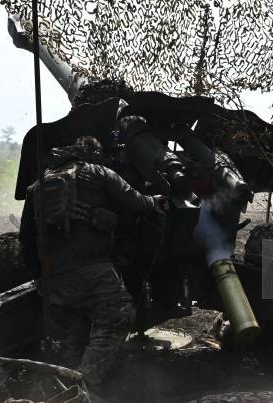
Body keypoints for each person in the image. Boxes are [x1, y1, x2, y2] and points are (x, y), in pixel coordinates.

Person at [19, 136, 166, 395]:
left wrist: (40, 276)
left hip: (53, 277)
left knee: (71, 336)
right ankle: (85, 386)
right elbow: (135, 200)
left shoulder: (37, 185)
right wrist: (155, 201)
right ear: (93, 155)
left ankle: (63, 388)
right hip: (91, 270)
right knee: (119, 315)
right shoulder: (98, 172)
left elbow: (26, 239)